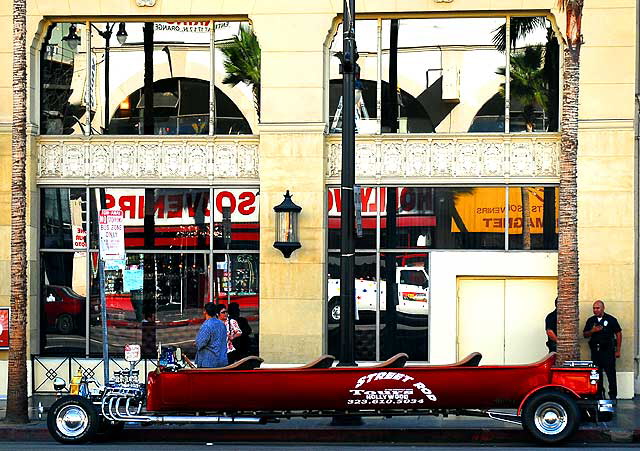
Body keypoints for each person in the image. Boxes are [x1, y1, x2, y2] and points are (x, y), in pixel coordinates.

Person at [583, 300, 622, 400]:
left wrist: (618, 349)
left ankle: (613, 395)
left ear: (603, 308)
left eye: (597, 308)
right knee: (597, 374)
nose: (595, 310)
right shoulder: (591, 320)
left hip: (608, 351)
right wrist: (593, 330)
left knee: (611, 374)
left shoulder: (611, 319)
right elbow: (585, 335)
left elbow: (618, 333)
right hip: (596, 352)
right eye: (594, 308)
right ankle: (599, 394)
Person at [195, 303, 228, 368]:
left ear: (205, 311)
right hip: (222, 361)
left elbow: (200, 344)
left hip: (208, 362)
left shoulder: (206, 326)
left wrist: (196, 343)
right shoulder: (222, 324)